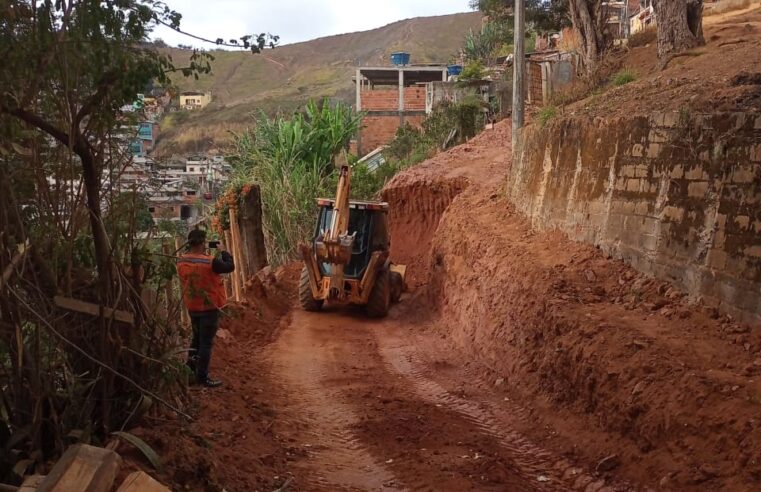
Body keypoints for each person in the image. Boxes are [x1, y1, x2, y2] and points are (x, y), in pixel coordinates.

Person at [177, 229, 234, 387]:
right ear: (202, 243)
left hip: (193, 307)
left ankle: (190, 372)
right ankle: (202, 377)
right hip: (209, 307)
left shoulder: (181, 260)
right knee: (205, 343)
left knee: (196, 340)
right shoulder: (210, 262)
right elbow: (229, 267)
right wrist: (223, 251)